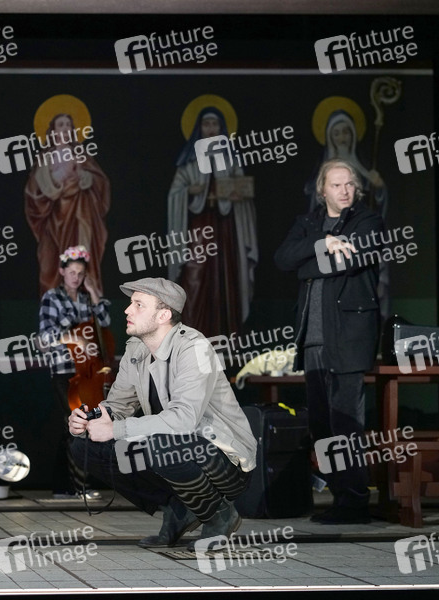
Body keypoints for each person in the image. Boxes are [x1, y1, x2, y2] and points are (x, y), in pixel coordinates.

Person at [69, 277, 257, 550]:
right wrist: (91, 419)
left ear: (163, 315)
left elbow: (184, 420)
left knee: (161, 444)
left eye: (138, 304)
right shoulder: (137, 349)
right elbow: (118, 405)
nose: (127, 310)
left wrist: (115, 429)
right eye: (131, 303)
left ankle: (219, 515)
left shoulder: (195, 348)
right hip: (169, 449)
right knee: (84, 446)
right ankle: (177, 508)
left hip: (225, 460)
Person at [276, 159, 384, 524]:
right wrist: (322, 242)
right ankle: (340, 498)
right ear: (323, 190)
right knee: (322, 426)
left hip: (349, 338)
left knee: (346, 423)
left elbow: (348, 263)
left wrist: (307, 264)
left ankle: (354, 502)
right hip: (313, 340)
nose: (344, 191)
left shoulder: (367, 222)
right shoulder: (308, 224)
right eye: (336, 185)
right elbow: (283, 259)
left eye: (349, 184)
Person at [167, 104, 257, 338]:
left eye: (214, 124)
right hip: (198, 229)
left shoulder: (231, 161)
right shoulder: (188, 163)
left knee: (227, 279)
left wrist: (238, 198)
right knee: (194, 279)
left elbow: (243, 192)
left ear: (222, 129)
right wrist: (189, 191)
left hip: (226, 229)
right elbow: (174, 194)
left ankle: (227, 336)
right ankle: (191, 337)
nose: (210, 129)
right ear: (199, 128)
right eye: (206, 124)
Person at [38, 245, 110, 499]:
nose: (76, 278)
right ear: (62, 271)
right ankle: (79, 486)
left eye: (80, 273)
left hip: (88, 371)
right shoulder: (52, 298)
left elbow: (105, 321)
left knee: (70, 425)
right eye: (72, 272)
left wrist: (94, 292)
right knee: (78, 423)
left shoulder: (86, 298)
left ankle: (63, 487)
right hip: (64, 370)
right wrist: (75, 337)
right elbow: (45, 338)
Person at [305, 107, 390, 319]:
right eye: (336, 185)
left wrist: (378, 187)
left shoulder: (364, 170)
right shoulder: (312, 214)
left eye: (346, 132)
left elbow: (378, 203)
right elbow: (285, 257)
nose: (342, 138)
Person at [25, 112, 111, 297]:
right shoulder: (45, 157)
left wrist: (84, 177)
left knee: (79, 260)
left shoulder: (81, 155)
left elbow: (100, 181)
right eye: (60, 125)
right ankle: (54, 306)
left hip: (79, 214)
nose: (64, 128)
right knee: (50, 263)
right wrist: (56, 184)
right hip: (52, 217)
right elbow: (34, 191)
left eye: (68, 125)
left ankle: (83, 304)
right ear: (53, 131)